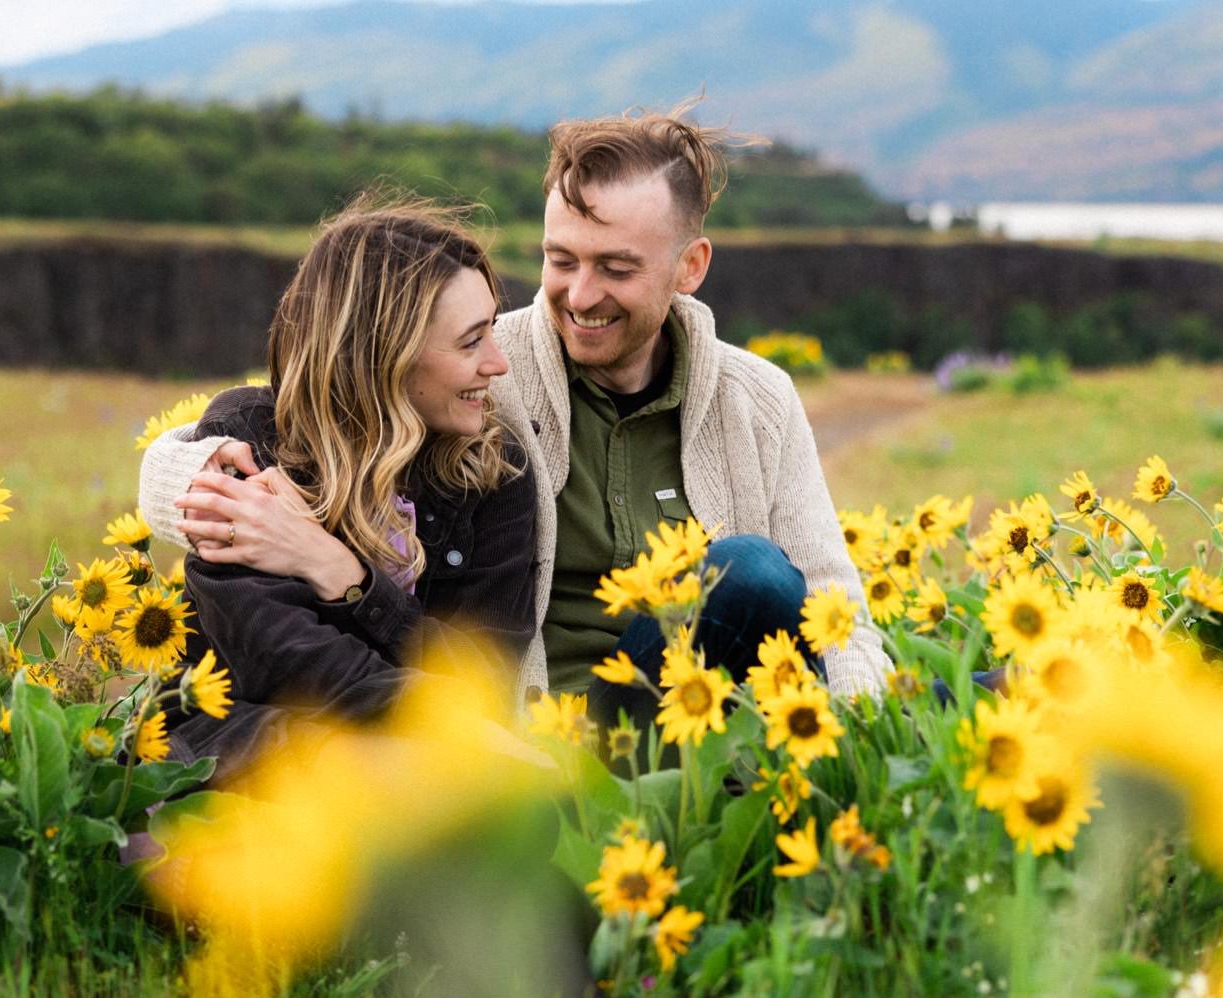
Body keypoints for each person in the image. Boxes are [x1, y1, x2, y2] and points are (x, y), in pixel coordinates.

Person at [142, 108, 891, 731]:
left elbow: (836, 608)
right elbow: (317, 406)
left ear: (689, 266)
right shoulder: (474, 371)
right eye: (560, 259)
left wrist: (863, 735)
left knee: (783, 596)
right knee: (759, 574)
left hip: (703, 700)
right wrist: (197, 477)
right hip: (550, 730)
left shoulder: (756, 400)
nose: (580, 293)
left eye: (616, 267)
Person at [154, 200, 539, 783]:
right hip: (237, 743)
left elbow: (482, 676)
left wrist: (343, 574)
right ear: (386, 355)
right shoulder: (250, 439)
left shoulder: (495, 466)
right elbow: (276, 657)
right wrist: (445, 730)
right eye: (470, 342)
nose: (499, 363)